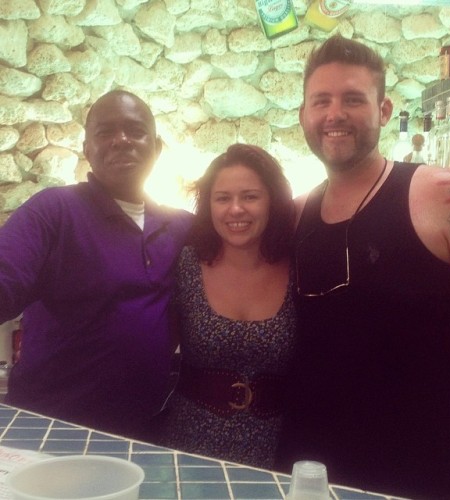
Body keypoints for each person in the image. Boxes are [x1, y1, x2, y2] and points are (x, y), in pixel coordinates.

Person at [275, 35, 450, 500]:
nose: (334, 114)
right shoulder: (297, 215)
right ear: (303, 116)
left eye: (353, 99)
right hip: (312, 472)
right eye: (321, 101)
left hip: (424, 474)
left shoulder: (443, 197)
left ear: (382, 109)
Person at [0, 90, 192, 440]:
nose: (121, 140)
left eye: (135, 130)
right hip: (50, 431)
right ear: (87, 150)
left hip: (143, 434)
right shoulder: (53, 212)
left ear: (157, 147)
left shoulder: (181, 227)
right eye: (105, 132)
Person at [156, 143, 297, 469]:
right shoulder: (186, 264)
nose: (236, 209)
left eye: (250, 196)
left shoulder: (299, 268)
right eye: (222, 198)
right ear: (208, 205)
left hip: (276, 449)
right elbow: (157, 347)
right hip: (188, 444)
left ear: (272, 201)